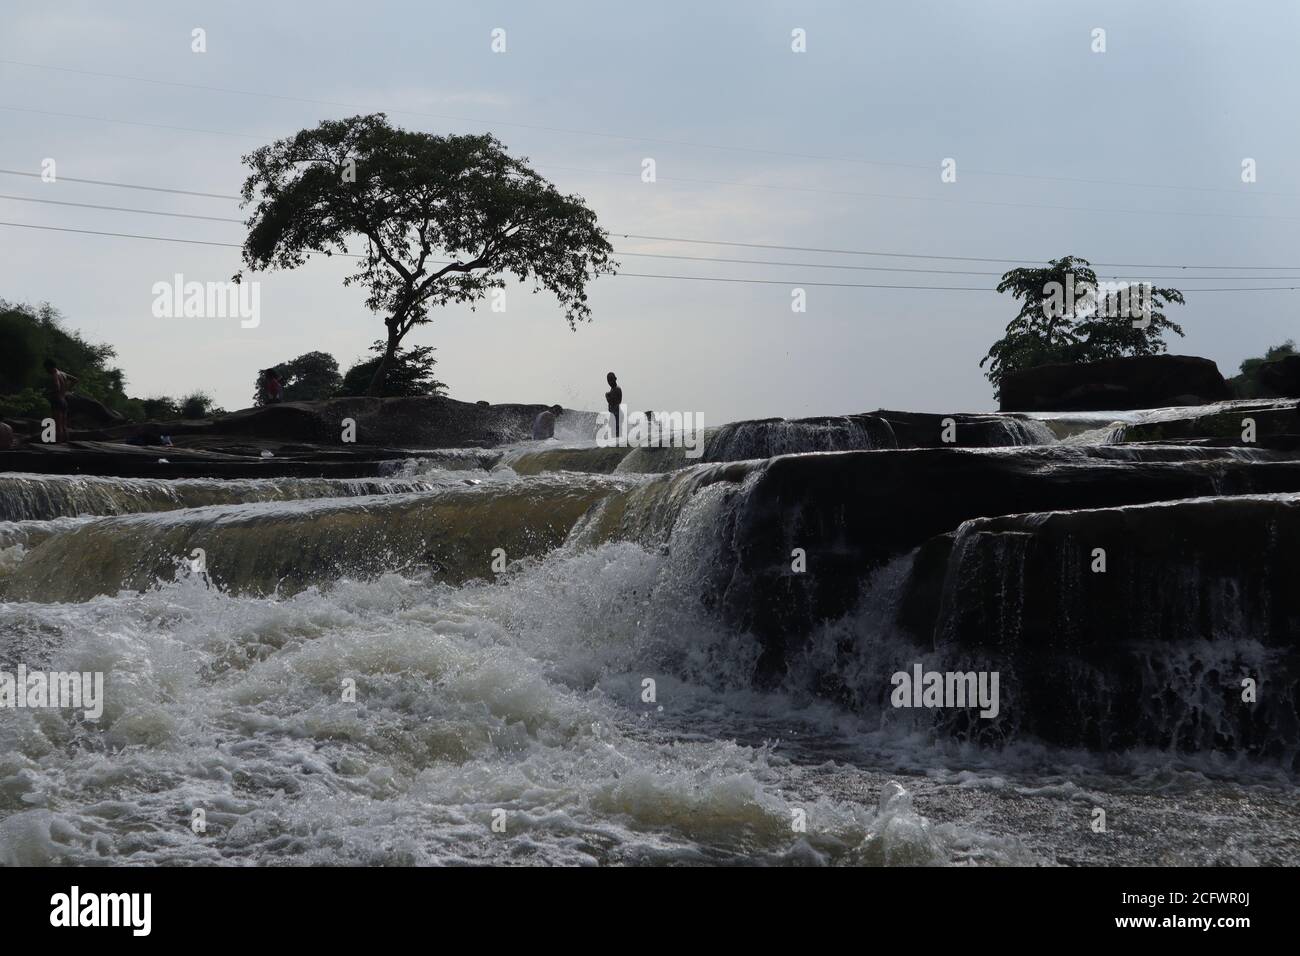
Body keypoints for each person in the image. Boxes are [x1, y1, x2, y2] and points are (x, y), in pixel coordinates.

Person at [43, 358, 77, 442]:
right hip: (64, 401)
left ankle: (59, 444)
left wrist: (47, 392)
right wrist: (67, 389)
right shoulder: (62, 374)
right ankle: (66, 443)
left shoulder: (55, 374)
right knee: (64, 425)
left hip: (57, 400)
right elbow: (75, 380)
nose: (46, 370)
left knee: (57, 425)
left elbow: (57, 387)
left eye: (46, 368)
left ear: (49, 366)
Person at [605, 371, 623, 438]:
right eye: (608, 381)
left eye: (611, 380)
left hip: (617, 414)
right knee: (614, 434)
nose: (610, 382)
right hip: (614, 414)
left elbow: (613, 402)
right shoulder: (612, 390)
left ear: (615, 379)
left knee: (616, 434)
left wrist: (607, 396)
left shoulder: (617, 389)